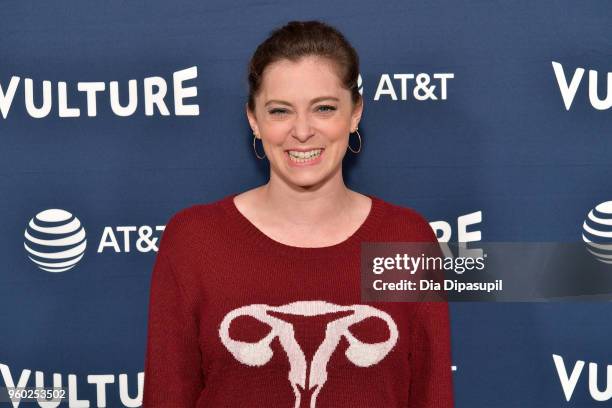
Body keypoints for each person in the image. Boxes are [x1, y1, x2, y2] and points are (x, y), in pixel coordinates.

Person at [142, 20, 454, 407]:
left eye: (324, 108)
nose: (302, 131)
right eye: (280, 111)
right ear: (254, 120)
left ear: (355, 113)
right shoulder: (195, 241)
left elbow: (432, 394)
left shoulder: (404, 240)